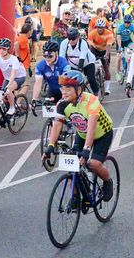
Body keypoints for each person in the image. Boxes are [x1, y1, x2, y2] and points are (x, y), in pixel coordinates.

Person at [42, 69, 114, 202]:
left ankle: (107, 181)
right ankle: (75, 197)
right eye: (62, 88)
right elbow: (57, 125)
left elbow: (91, 128)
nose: (64, 92)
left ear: (79, 89)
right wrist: (51, 146)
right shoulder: (62, 104)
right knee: (72, 164)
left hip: (102, 134)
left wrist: (86, 150)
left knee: (93, 164)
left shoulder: (91, 101)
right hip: (82, 134)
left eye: (68, 89)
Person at [59, 28, 100, 96]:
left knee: (91, 78)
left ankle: (96, 93)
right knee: (70, 81)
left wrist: (79, 69)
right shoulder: (64, 43)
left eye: (73, 39)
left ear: (78, 37)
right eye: (69, 39)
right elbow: (62, 58)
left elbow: (82, 57)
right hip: (73, 63)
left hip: (87, 63)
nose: (71, 41)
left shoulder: (83, 43)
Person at [87, 18, 115, 95]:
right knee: (93, 66)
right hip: (95, 49)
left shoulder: (109, 33)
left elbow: (109, 45)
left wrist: (107, 55)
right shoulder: (92, 33)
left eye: (101, 28)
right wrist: (91, 56)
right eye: (98, 27)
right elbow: (90, 45)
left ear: (104, 27)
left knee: (106, 69)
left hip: (105, 50)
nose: (99, 29)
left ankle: (107, 88)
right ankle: (95, 78)